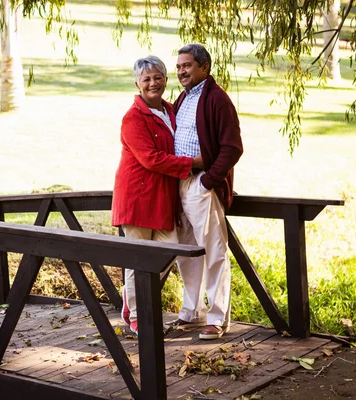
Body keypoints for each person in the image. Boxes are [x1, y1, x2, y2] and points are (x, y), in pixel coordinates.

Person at [111, 55, 203, 335]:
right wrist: (194, 164)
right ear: (137, 83)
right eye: (147, 79)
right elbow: (152, 159)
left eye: (158, 77)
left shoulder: (171, 110)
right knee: (139, 259)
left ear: (165, 79)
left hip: (163, 197)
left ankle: (131, 300)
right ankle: (138, 316)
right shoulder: (132, 118)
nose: (153, 83)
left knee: (166, 253)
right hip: (137, 198)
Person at [166, 44, 244, 340]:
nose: (181, 71)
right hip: (180, 183)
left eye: (187, 66)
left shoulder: (217, 99)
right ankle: (192, 311)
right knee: (186, 251)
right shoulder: (184, 97)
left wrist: (209, 180)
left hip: (201, 184)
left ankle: (217, 317)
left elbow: (232, 148)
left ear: (204, 67)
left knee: (213, 250)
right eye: (178, 67)